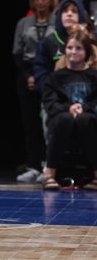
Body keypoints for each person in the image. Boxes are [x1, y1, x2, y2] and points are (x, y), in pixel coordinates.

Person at [40, 29, 97, 190]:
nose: (73, 52)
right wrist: (69, 108)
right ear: (65, 50)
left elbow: (95, 102)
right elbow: (50, 104)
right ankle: (49, 173)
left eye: (78, 48)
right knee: (64, 118)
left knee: (84, 119)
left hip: (88, 119)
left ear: (86, 52)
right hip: (61, 119)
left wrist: (83, 107)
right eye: (70, 48)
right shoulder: (55, 78)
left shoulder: (94, 76)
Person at [13, 0, 57, 183]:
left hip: (51, 75)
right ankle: (33, 165)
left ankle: (50, 165)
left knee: (49, 123)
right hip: (27, 74)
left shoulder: (57, 22)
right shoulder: (24, 23)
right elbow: (17, 52)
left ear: (50, 1)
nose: (40, 2)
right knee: (30, 123)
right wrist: (29, 76)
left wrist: (43, 77)